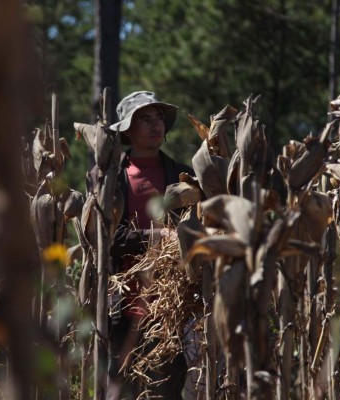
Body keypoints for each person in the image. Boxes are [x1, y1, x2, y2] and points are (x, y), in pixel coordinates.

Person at [106, 91, 193, 399]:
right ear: (128, 129)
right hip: (124, 308)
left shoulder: (184, 178)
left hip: (172, 309)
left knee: (168, 389)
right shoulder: (110, 178)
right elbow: (104, 240)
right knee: (124, 391)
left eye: (159, 118)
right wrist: (156, 238)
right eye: (145, 118)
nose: (156, 125)